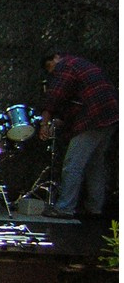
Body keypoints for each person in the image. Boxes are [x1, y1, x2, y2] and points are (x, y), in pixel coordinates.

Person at [38, 52, 118, 219]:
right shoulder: (80, 64)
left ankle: (65, 207)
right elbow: (75, 100)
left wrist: (44, 122)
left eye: (50, 66)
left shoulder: (65, 66)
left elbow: (55, 96)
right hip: (110, 115)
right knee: (95, 163)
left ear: (56, 57)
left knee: (73, 164)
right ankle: (95, 207)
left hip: (93, 118)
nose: (52, 71)